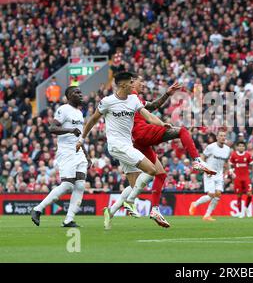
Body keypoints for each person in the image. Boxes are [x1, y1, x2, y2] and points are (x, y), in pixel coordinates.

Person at [115, 75, 216, 227]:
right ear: (130, 83)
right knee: (182, 131)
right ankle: (196, 161)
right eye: (139, 81)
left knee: (160, 174)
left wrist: (168, 94)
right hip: (142, 132)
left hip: (137, 141)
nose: (142, 83)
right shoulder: (131, 95)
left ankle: (154, 209)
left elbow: (153, 106)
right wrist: (161, 123)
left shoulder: (133, 100)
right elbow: (149, 113)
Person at [76, 72, 169, 230]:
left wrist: (163, 124)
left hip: (128, 146)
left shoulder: (133, 99)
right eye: (131, 82)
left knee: (134, 185)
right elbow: (92, 120)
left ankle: (110, 211)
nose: (134, 85)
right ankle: (131, 201)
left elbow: (148, 116)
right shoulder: (108, 102)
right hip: (116, 145)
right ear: (123, 85)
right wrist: (81, 139)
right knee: (153, 170)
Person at [31, 87, 90, 227]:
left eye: (81, 92)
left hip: (78, 151)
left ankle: (69, 219)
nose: (80, 95)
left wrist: (87, 155)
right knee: (68, 185)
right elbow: (52, 128)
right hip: (66, 151)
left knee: (80, 185)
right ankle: (38, 209)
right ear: (69, 96)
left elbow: (79, 137)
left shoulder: (79, 113)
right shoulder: (63, 109)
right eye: (76, 93)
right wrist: (70, 130)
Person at [189, 130, 231, 221]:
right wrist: (204, 168)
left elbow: (226, 162)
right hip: (210, 173)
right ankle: (194, 204)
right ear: (217, 137)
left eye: (224, 136)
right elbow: (203, 156)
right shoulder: (211, 147)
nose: (223, 137)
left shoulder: (227, 149)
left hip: (219, 174)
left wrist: (227, 171)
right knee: (211, 195)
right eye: (221, 135)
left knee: (218, 195)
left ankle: (207, 215)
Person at [229, 141, 253, 218]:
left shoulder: (248, 155)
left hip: (246, 177)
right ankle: (240, 212)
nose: (241, 147)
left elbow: (252, 165)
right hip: (238, 178)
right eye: (239, 146)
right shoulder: (234, 155)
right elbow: (230, 164)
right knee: (239, 195)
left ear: (244, 147)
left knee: (249, 194)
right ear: (237, 147)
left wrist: (251, 174)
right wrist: (231, 171)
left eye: (242, 146)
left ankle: (246, 208)